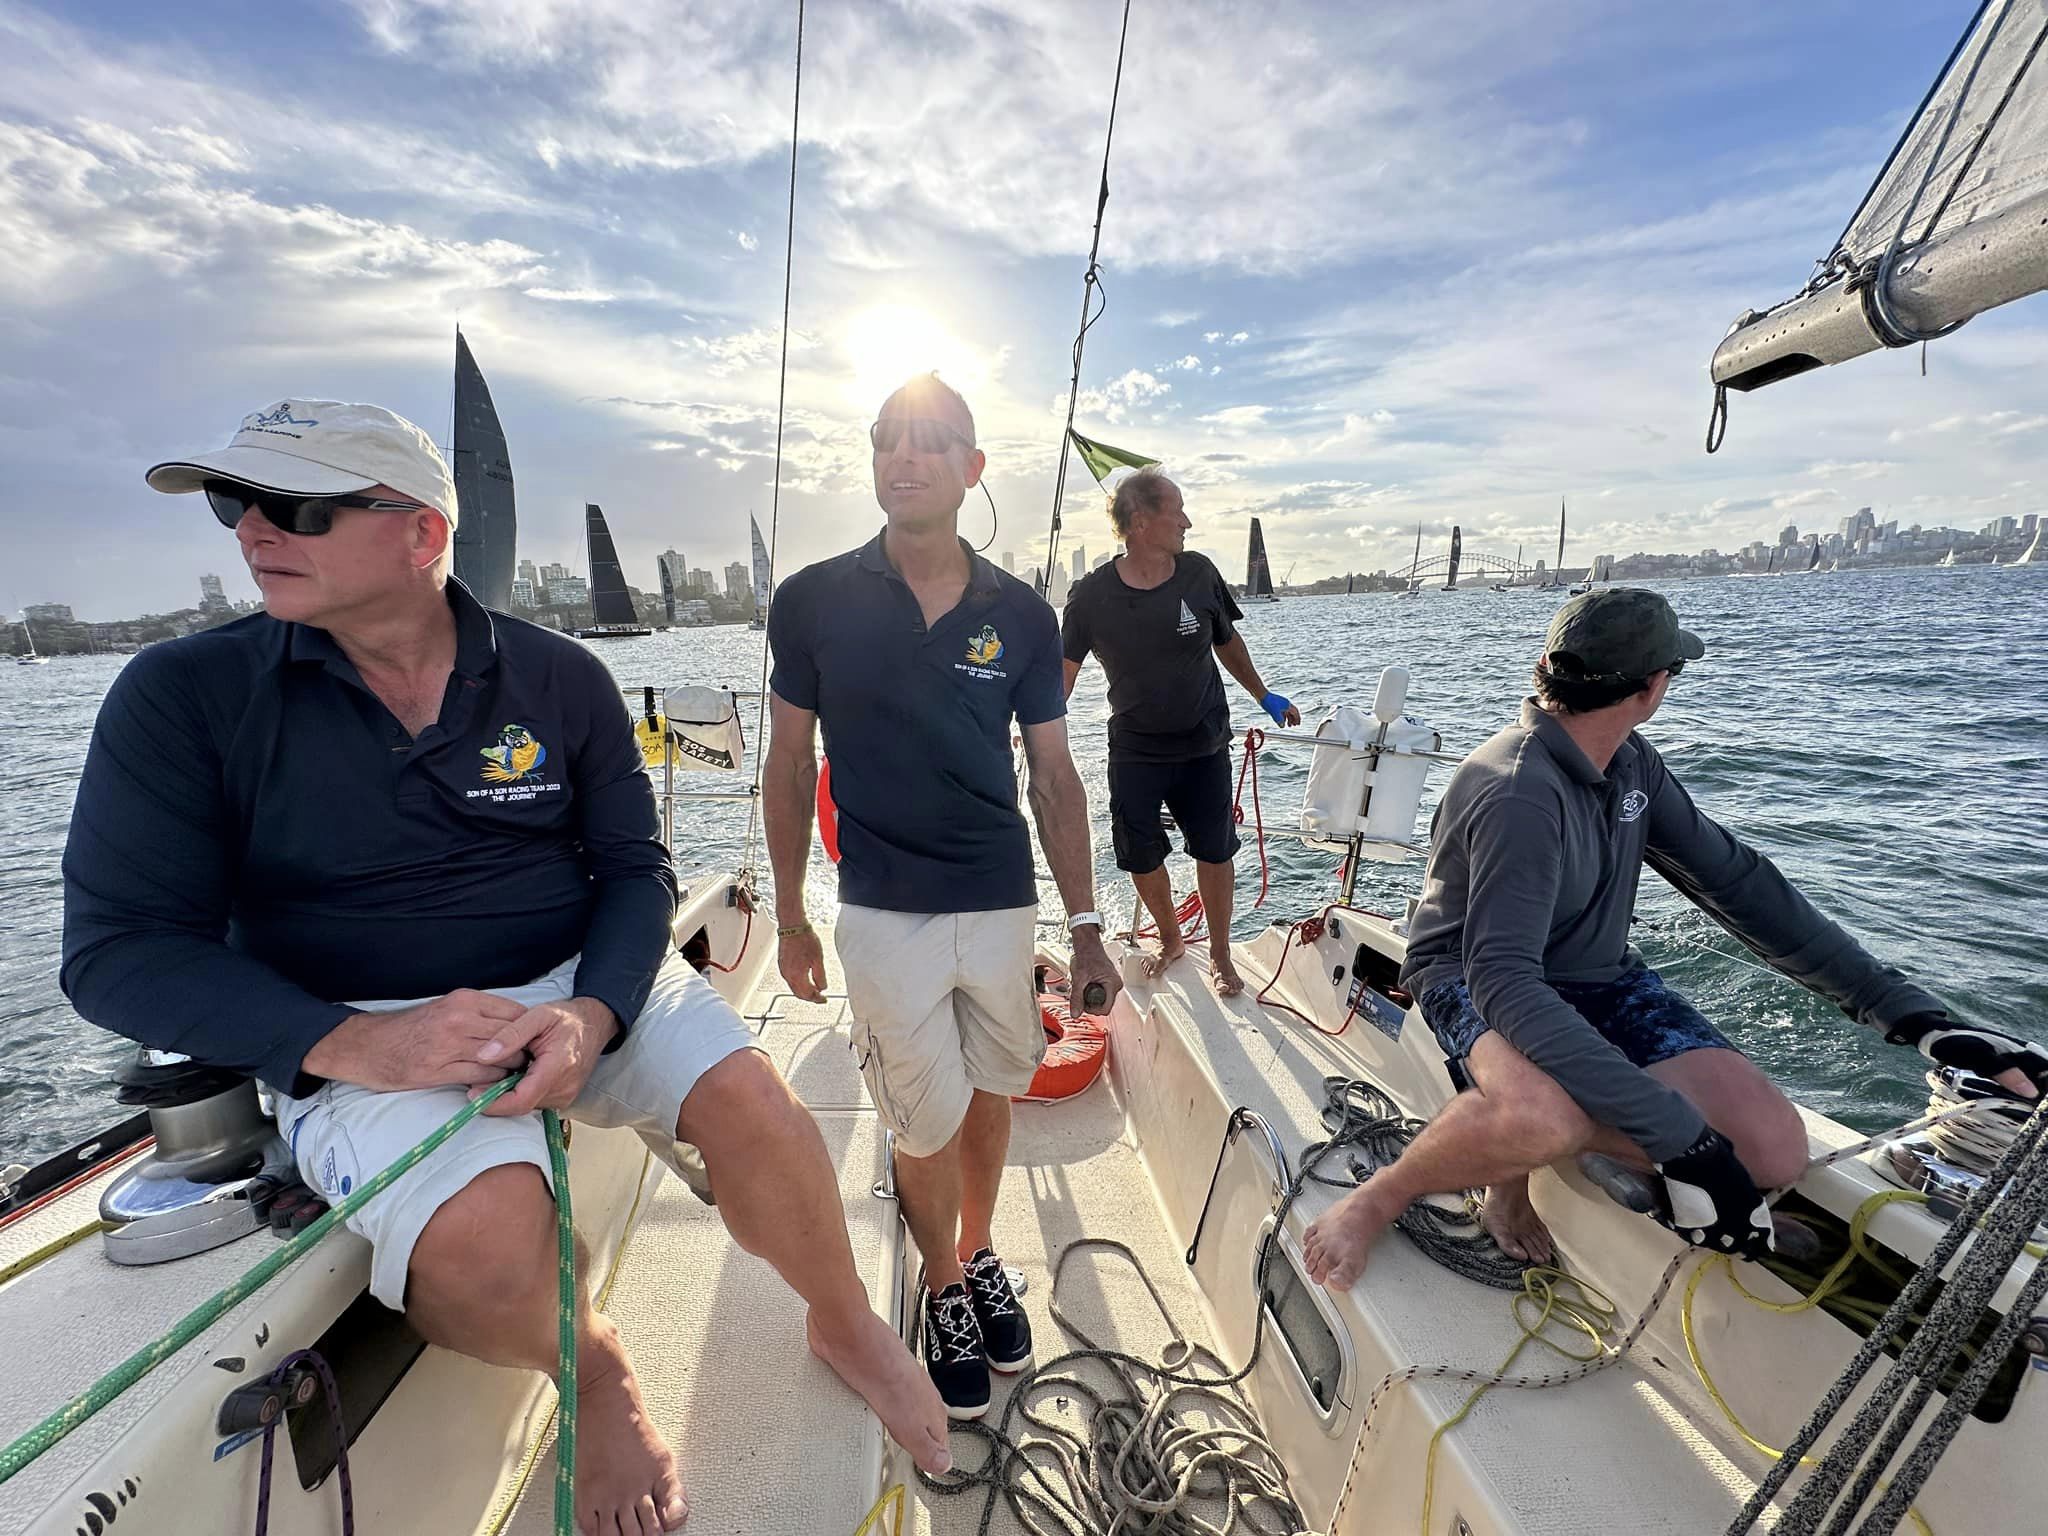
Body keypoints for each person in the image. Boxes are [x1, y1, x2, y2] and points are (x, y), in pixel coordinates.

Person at [61, 398, 951, 1535]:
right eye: (235, 504)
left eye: (294, 507)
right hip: (354, 1022)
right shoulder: (181, 700)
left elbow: (634, 869)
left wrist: (591, 1012)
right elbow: (115, 952)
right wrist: (358, 1043)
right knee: (485, 1249)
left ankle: (841, 1319)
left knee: (763, 1116)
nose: (250, 532)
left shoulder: (559, 678)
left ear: (421, 533)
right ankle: (593, 1369)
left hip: (577, 969)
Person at [1300, 587, 2047, 1289]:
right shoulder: (1516, 791)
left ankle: (1519, 1153)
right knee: (1542, 1116)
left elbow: (1742, 886)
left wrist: (1913, 1017)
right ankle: (1387, 1193)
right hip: (1471, 974)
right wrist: (1676, 1137)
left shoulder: (1630, 765)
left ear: (1547, 670)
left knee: (1773, 1150)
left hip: (1595, 974)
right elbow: (1505, 983)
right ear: (1654, 688)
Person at [763, 373, 1123, 1420]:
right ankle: (940, 1285)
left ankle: (973, 1250)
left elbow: (1054, 776)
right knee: (920, 1120)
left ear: (971, 469)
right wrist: (787, 915)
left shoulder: (1017, 612)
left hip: (1000, 901)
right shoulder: (813, 600)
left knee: (991, 1091)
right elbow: (788, 768)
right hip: (881, 908)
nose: (903, 459)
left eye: (929, 443)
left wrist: (1089, 927)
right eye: (887, 441)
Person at [1059, 468, 1299, 995]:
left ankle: (1219, 954)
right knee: (1140, 855)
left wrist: (1265, 695)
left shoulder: (1199, 573)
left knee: (1215, 851)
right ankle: (1171, 939)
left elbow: (1226, 641)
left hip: (1203, 743)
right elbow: (1064, 674)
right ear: (1141, 522)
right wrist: (1032, 731)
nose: (1187, 522)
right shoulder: (1091, 596)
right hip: (1136, 749)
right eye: (1178, 511)